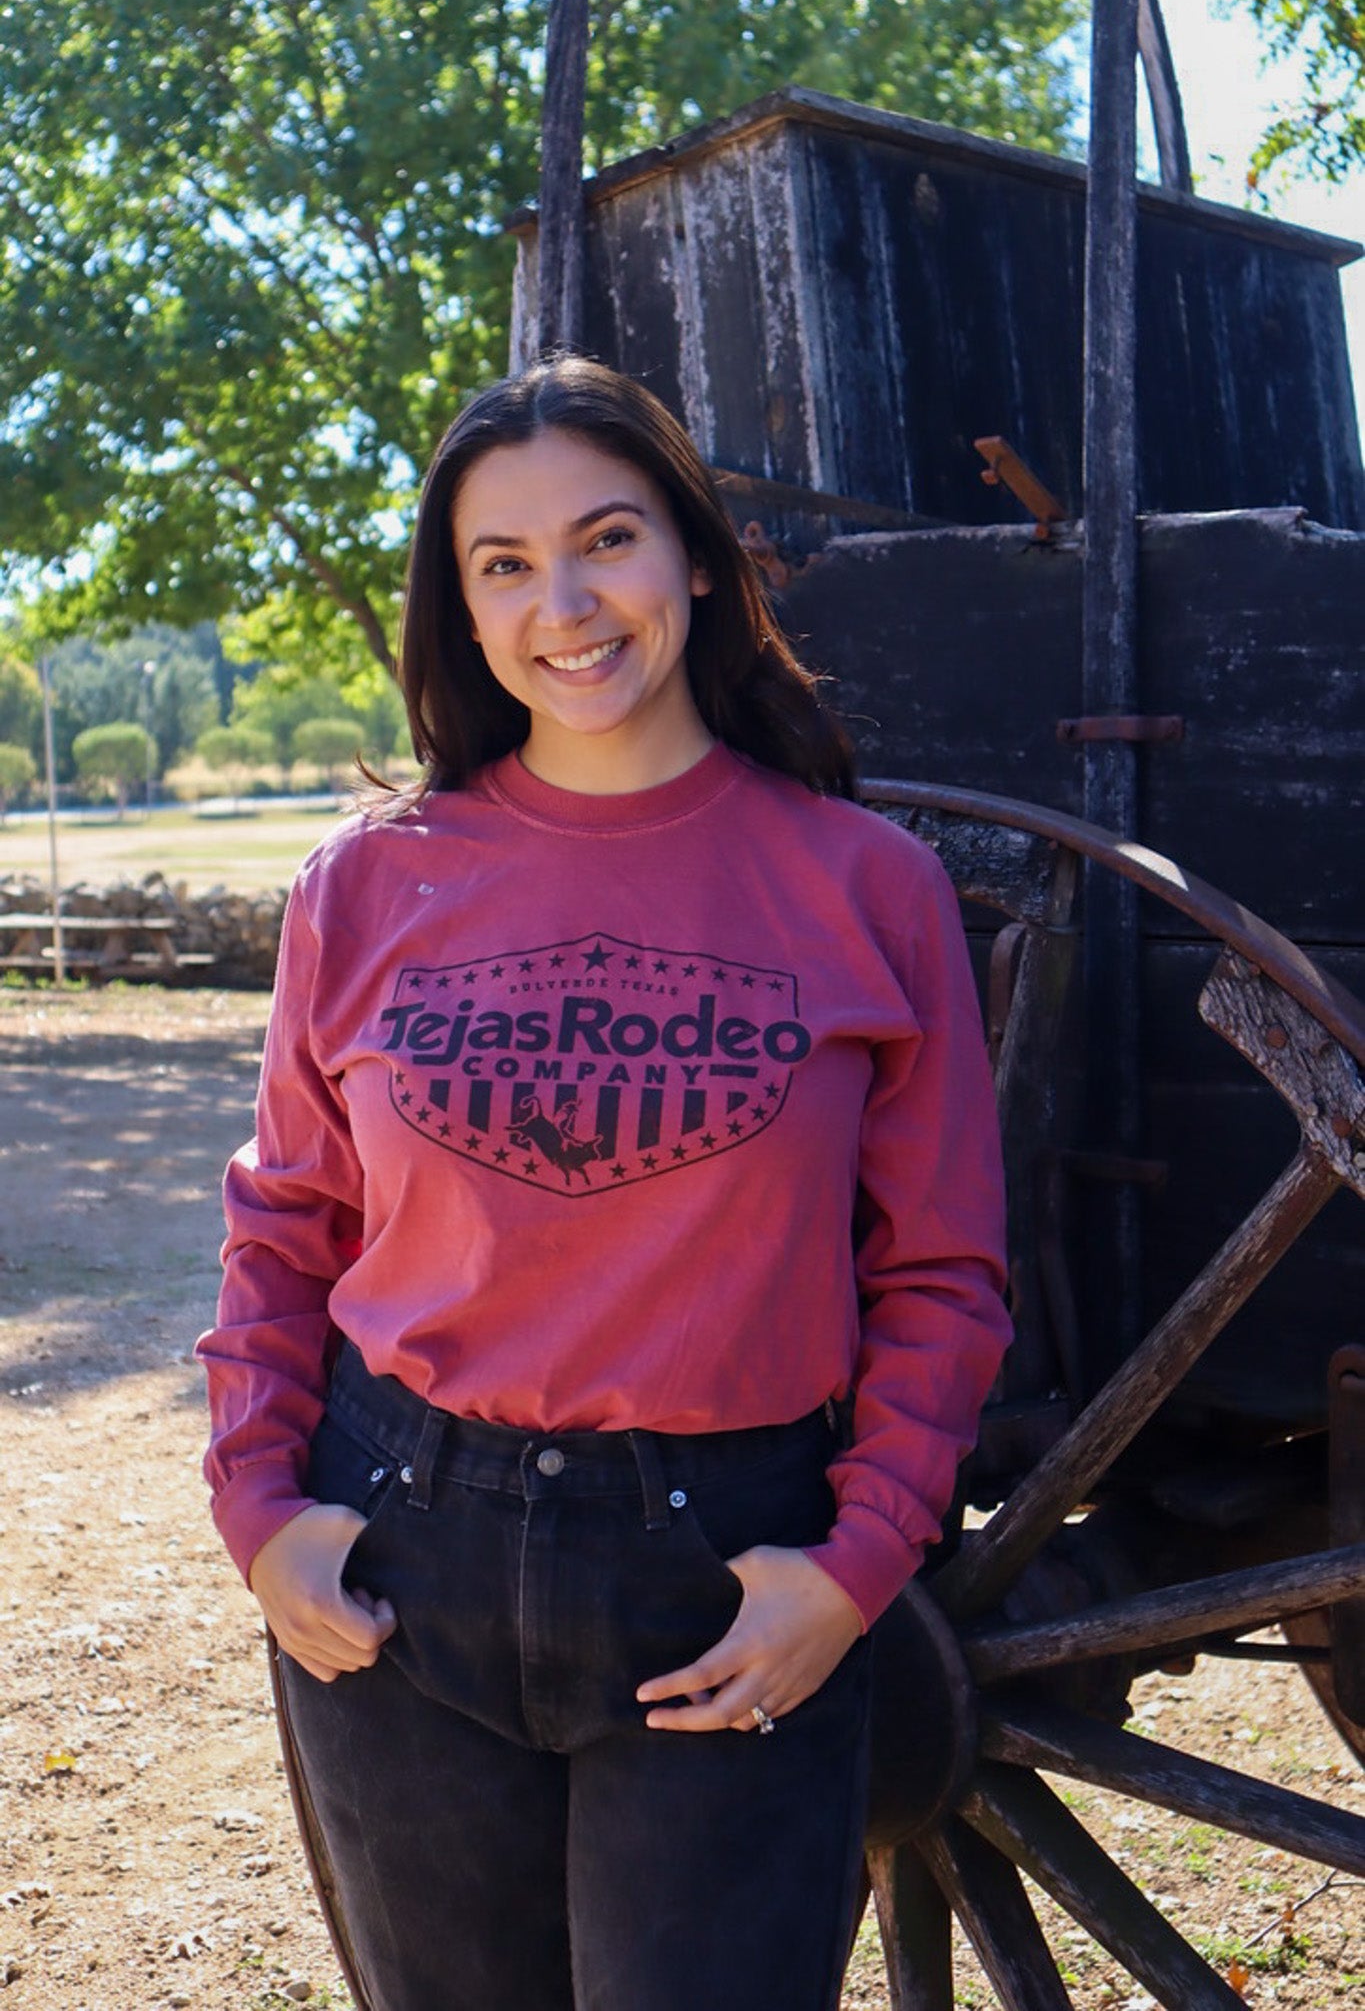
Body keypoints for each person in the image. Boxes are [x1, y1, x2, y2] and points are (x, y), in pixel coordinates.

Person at [198, 356, 1012, 2011]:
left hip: (723, 1576)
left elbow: (940, 1276)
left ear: (694, 559)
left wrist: (854, 1568)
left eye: (607, 539)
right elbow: (288, 1226)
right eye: (503, 565)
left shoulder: (867, 887)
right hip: (402, 1561)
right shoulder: (363, 886)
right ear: (465, 607)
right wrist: (261, 1517)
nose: (561, 605)